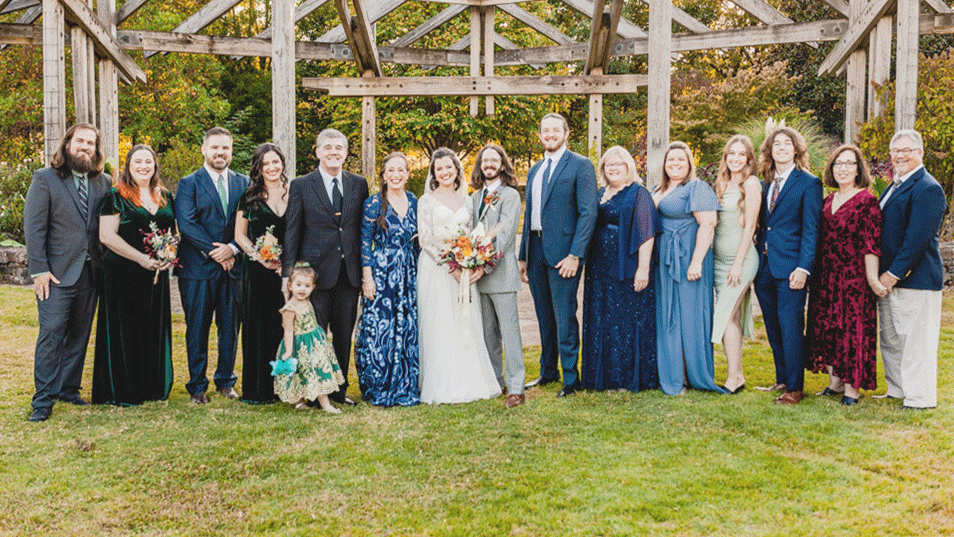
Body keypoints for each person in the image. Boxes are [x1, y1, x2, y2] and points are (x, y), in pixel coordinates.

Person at [23, 123, 112, 422]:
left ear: (96, 150)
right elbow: (34, 228)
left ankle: (68, 388)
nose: (85, 147)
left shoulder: (104, 182)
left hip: (91, 272)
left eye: (91, 143)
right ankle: (43, 400)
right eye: (80, 141)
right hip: (56, 274)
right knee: (51, 334)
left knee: (79, 334)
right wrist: (39, 270)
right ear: (67, 144)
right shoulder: (45, 178)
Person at [284, 129, 369, 406]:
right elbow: (292, 231)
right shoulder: (301, 185)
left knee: (343, 336)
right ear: (318, 152)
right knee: (314, 337)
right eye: (328, 147)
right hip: (314, 277)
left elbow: (361, 229)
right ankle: (312, 392)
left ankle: (338, 391)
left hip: (349, 274)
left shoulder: (359, 184)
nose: (334, 152)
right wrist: (288, 275)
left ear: (346, 153)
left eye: (339, 147)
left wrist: (364, 272)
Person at [519, 113, 598, 397]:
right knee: (544, 316)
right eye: (545, 130)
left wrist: (576, 254)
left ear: (566, 133)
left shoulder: (580, 165)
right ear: (539, 135)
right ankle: (547, 372)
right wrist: (523, 255)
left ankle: (571, 379)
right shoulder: (535, 170)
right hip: (536, 250)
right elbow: (530, 215)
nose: (550, 134)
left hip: (565, 254)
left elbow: (588, 212)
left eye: (556, 129)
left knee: (565, 316)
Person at [417, 147, 501, 404]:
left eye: (448, 167)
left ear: (456, 169)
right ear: (433, 173)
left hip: (465, 268)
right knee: (440, 320)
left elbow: (474, 233)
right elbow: (425, 239)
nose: (444, 172)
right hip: (437, 268)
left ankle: (469, 379)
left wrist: (471, 261)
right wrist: (450, 265)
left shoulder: (468, 200)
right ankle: (441, 383)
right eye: (439, 168)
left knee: (465, 320)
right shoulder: (426, 201)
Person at [93, 144, 175, 406]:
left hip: (155, 275)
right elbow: (106, 236)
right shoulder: (115, 196)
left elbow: (173, 233)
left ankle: (151, 386)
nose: (143, 166)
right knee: (126, 328)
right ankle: (124, 389)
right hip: (122, 272)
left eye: (148, 162)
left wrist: (169, 254)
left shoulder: (164, 195)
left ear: (155, 166)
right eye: (137, 162)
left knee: (151, 327)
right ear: (128, 166)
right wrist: (141, 258)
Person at [805, 144, 885, 406]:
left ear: (858, 169)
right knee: (827, 328)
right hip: (826, 276)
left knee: (851, 330)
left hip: (853, 278)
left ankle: (852, 388)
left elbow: (871, 244)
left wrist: (872, 279)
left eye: (849, 163)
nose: (843, 169)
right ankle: (835, 382)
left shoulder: (867, 201)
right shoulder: (828, 200)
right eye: (838, 163)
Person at [175, 127, 249, 404]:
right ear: (204, 150)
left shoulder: (244, 183)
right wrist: (217, 252)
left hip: (233, 268)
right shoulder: (189, 183)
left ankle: (226, 381)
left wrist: (233, 249)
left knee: (230, 328)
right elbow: (187, 224)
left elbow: (249, 221)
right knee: (197, 328)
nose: (220, 152)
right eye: (215, 147)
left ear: (231, 151)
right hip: (197, 268)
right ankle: (197, 385)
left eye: (225, 148)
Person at [875, 129, 947, 410]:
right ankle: (898, 389)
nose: (900, 155)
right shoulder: (896, 185)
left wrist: (893, 274)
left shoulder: (928, 188)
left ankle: (920, 398)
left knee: (917, 342)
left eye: (907, 150)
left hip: (916, 279)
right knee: (892, 339)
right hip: (887, 280)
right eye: (896, 150)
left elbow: (917, 239)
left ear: (920, 153)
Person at [581, 146, 659, 392]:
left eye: (618, 164)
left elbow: (647, 233)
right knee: (602, 316)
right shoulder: (600, 193)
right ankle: (601, 377)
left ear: (628, 167)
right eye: (609, 165)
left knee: (623, 320)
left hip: (627, 264)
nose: (613, 168)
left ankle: (624, 378)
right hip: (599, 267)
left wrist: (643, 268)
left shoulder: (638, 193)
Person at [753, 126, 822, 405]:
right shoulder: (765, 184)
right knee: (773, 326)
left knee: (791, 326)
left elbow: (811, 230)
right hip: (765, 267)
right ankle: (782, 378)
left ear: (796, 150)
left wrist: (803, 268)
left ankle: (795, 387)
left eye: (786, 143)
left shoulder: (809, 183)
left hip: (792, 267)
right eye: (776, 144)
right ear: (770, 151)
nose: (781, 148)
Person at [653, 142, 727, 396]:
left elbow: (708, 225)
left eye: (681, 160)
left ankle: (690, 374)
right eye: (671, 160)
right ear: (664, 164)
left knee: (689, 315)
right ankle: (672, 373)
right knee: (668, 314)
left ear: (689, 164)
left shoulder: (697, 187)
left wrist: (696, 261)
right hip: (665, 261)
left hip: (688, 260)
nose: (675, 164)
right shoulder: (658, 189)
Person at [356, 152, 420, 407]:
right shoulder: (373, 203)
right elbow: (364, 242)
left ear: (407, 174)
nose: (396, 175)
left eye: (401, 170)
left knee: (406, 326)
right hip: (382, 273)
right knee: (380, 328)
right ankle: (379, 384)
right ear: (383, 175)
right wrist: (367, 278)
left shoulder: (414, 201)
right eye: (390, 170)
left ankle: (405, 383)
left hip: (408, 273)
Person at [470, 143, 527, 408]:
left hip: (500, 274)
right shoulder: (474, 197)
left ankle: (516, 387)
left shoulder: (510, 195)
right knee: (488, 334)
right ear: (480, 165)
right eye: (485, 160)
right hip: (478, 278)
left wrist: (486, 266)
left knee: (510, 334)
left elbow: (504, 236)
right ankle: (496, 381)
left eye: (494, 160)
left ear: (502, 165)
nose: (489, 164)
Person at [234, 143, 288, 404]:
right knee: (258, 327)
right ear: (258, 168)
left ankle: (284, 386)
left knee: (284, 326)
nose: (271, 167)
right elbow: (239, 235)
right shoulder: (249, 196)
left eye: (275, 162)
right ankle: (258, 388)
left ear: (282, 164)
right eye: (266, 163)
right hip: (257, 272)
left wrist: (286, 262)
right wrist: (261, 257)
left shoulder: (293, 192)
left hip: (285, 273)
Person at [711, 135, 761, 394]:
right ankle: (737, 374)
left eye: (742, 154)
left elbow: (750, 226)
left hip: (740, 260)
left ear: (749, 159)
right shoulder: (721, 183)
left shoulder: (750, 183)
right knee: (733, 317)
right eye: (732, 153)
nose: (736, 158)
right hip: (719, 261)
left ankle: (732, 378)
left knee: (726, 314)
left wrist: (738, 264)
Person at [273, 263, 345, 413]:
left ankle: (326, 405)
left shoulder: (307, 301)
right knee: (298, 374)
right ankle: (299, 401)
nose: (302, 289)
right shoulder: (289, 309)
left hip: (315, 344)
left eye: (307, 286)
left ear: (313, 288)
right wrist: (289, 351)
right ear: (290, 286)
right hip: (299, 346)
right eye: (298, 285)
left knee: (317, 373)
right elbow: (288, 331)